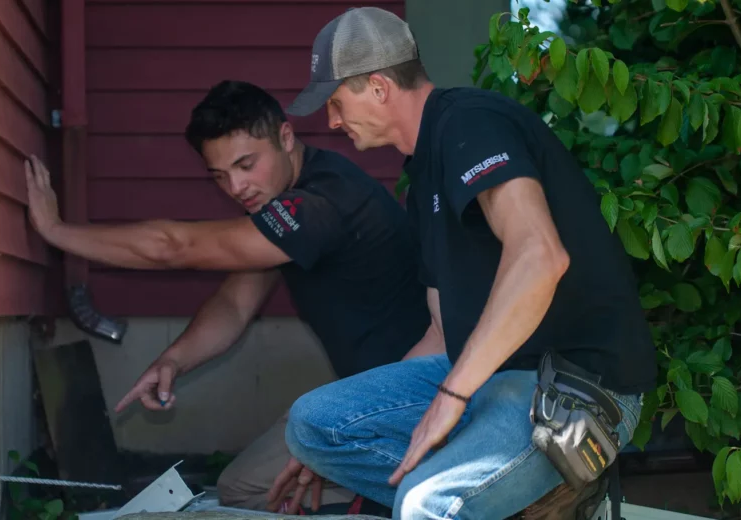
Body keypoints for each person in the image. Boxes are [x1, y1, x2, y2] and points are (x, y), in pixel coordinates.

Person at [278, 7, 658, 520]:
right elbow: (441, 332)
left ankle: (505, 492)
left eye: (336, 101)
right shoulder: (423, 177)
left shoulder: (470, 123)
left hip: (571, 383)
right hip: (487, 375)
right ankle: (515, 499)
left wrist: (451, 396)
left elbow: (540, 255)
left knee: (426, 506)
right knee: (313, 425)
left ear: (377, 86)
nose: (332, 120)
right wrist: (338, 445)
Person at [25, 79, 443, 516]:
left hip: (407, 404)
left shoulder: (319, 206)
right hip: (370, 397)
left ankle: (381, 495)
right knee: (242, 486)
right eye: (220, 175)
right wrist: (173, 360)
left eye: (246, 164)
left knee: (248, 491)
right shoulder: (293, 197)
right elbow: (235, 304)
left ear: (285, 136)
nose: (237, 187)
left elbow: (173, 247)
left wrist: (55, 231)